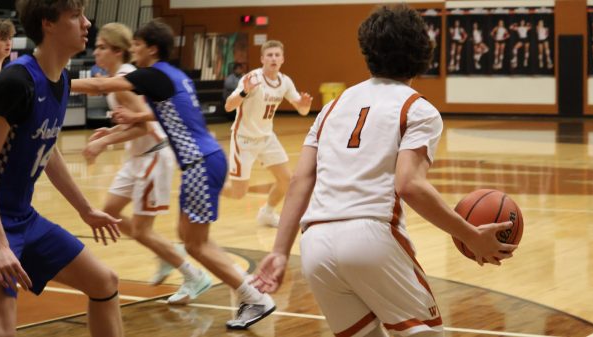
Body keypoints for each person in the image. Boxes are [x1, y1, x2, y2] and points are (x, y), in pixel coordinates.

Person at [253, 5, 517, 337]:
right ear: (425, 53)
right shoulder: (417, 108)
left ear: (367, 52)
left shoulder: (331, 108)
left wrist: (279, 251)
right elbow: (409, 184)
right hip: (370, 238)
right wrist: (469, 235)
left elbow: (301, 181)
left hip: (315, 244)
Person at [71, 19, 276, 329]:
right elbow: (169, 112)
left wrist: (52, 81)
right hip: (206, 158)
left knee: (195, 244)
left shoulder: (151, 74)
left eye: (138, 45)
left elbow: (100, 85)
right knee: (191, 239)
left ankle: (253, 296)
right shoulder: (176, 75)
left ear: (152, 49)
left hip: (198, 163)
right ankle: (248, 289)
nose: (134, 50)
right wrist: (134, 115)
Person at [0, 1, 124, 337]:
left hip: (23, 218)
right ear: (49, 24)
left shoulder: (61, 79)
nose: (86, 22)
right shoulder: (16, 82)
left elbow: (47, 149)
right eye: (75, 16)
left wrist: (87, 210)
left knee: (104, 282)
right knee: (2, 327)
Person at [82, 22, 212, 305]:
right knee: (111, 212)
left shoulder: (125, 79)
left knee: (141, 229)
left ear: (117, 51)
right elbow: (136, 121)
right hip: (137, 156)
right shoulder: (120, 78)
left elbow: (145, 124)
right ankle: (166, 253)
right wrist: (112, 133)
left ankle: (194, 275)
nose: (96, 52)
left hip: (154, 154)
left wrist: (104, 142)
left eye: (102, 47)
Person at [222, 40, 313, 227]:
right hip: (244, 139)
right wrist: (243, 92)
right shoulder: (252, 79)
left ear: (282, 59)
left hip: (266, 138)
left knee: (286, 180)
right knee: (239, 193)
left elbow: (302, 111)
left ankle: (267, 213)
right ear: (262, 59)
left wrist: (305, 105)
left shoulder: (285, 81)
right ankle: (206, 188)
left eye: (277, 55)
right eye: (269, 55)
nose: (273, 58)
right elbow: (228, 106)